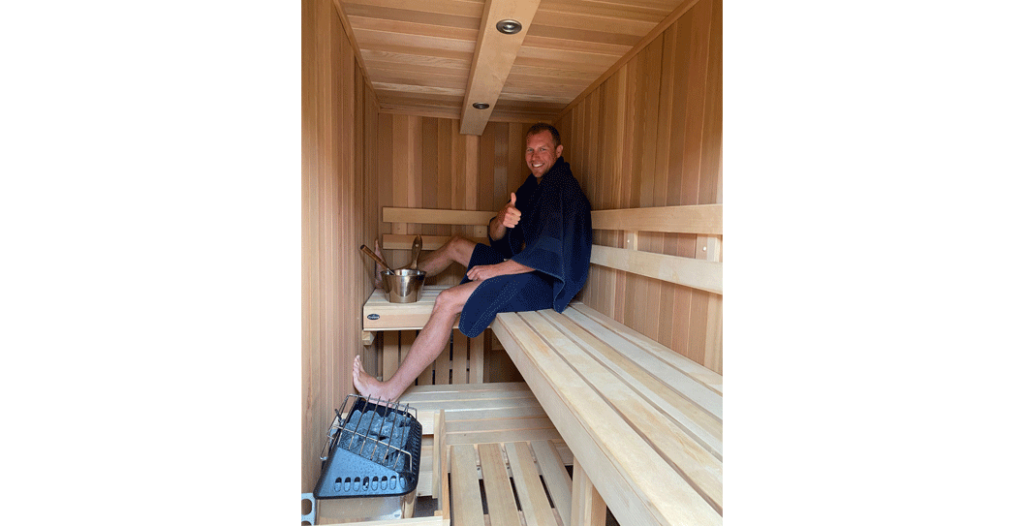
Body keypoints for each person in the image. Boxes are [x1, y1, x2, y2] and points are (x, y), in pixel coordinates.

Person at [353, 123, 593, 400]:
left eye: (543, 149)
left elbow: (547, 256)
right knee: (456, 245)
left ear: (558, 151)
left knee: (447, 300)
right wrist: (503, 218)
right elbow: (495, 235)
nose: (535, 156)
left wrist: (494, 271)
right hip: (524, 266)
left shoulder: (563, 190)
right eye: (530, 149)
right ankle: (394, 279)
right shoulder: (533, 186)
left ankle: (388, 391)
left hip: (546, 283)